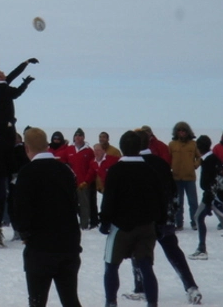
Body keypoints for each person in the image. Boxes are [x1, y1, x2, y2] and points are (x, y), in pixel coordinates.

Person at [123, 129, 202, 305]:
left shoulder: (135, 165)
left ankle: (140, 287)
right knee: (174, 252)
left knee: (139, 254)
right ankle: (191, 287)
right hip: (164, 218)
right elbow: (173, 190)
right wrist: (171, 214)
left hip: (144, 220)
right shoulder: (161, 163)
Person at [12, 127, 82, 307]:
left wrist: (25, 233)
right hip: (68, 244)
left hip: (40, 247)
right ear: (47, 145)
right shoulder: (65, 171)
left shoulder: (27, 173)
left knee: (37, 301)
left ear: (27, 148)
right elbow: (74, 204)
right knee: (70, 299)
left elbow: (20, 210)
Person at [100, 130, 166, 307]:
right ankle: (152, 303)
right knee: (146, 266)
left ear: (121, 148)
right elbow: (159, 198)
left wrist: (104, 221)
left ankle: (111, 302)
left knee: (111, 266)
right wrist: (159, 222)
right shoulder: (150, 170)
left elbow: (109, 199)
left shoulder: (115, 170)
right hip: (146, 226)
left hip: (121, 227)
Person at [189, 135, 223, 261]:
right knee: (200, 217)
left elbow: (209, 182)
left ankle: (203, 249)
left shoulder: (208, 161)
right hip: (215, 196)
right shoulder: (213, 159)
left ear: (199, 148)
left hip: (214, 197)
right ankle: (202, 248)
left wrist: (211, 196)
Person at [0, 57, 38, 147]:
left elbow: (14, 74)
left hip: (4, 125)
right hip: (6, 126)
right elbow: (16, 93)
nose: (3, 73)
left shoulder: (1, 86)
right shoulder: (1, 88)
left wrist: (26, 62)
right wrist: (25, 83)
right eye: (1, 72)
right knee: (9, 147)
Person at [168, 121, 200, 231]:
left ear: (188, 132)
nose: (181, 133)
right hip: (176, 178)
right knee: (178, 202)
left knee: (193, 202)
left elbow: (200, 157)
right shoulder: (172, 145)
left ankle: (195, 222)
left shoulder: (193, 144)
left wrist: (194, 165)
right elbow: (168, 158)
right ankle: (179, 223)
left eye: (184, 130)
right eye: (179, 130)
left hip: (190, 178)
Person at [66, 128, 96, 230]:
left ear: (83, 137)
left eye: (80, 135)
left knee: (84, 204)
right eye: (76, 135)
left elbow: (92, 167)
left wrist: (86, 180)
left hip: (83, 183)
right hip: (71, 182)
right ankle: (72, 224)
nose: (78, 137)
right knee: (71, 204)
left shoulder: (89, 151)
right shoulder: (69, 149)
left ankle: (84, 225)